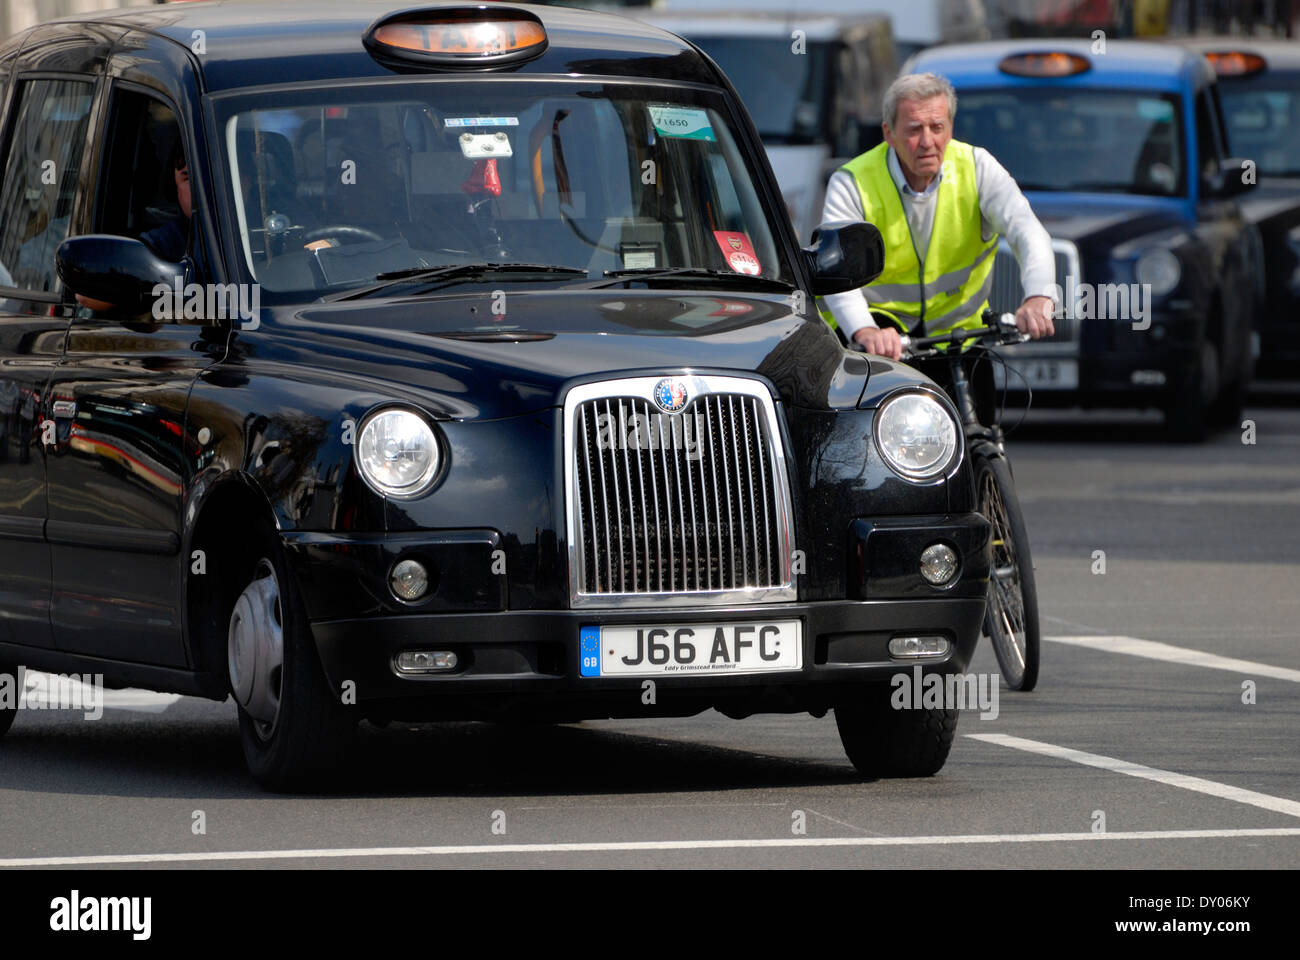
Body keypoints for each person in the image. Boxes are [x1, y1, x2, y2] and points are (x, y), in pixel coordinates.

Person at [820, 73, 1057, 424]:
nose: (927, 141)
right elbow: (839, 270)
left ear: (950, 128)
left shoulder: (978, 167)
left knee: (981, 438)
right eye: (914, 129)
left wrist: (1038, 296)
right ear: (889, 133)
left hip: (960, 338)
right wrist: (864, 330)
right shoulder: (852, 182)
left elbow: (1026, 231)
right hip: (882, 342)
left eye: (937, 127)